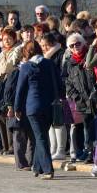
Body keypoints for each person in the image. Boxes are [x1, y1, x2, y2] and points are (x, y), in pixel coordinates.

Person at [14, 41, 58, 179]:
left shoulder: (26, 67)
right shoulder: (49, 63)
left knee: (40, 137)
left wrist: (17, 108)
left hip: (33, 107)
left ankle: (47, 169)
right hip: (49, 106)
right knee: (42, 136)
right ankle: (37, 166)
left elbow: (20, 90)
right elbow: (57, 82)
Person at [0, 27, 23, 155]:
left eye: (9, 39)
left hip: (11, 84)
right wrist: (1, 69)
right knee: (0, 114)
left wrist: (1, 69)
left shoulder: (17, 50)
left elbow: (9, 66)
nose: (7, 41)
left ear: (14, 39)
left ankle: (11, 146)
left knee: (8, 114)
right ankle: (5, 146)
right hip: (1, 83)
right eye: (4, 39)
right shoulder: (2, 52)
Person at [64, 33, 96, 163]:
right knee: (86, 127)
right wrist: (76, 97)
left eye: (78, 43)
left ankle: (95, 151)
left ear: (83, 43)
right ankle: (87, 151)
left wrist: (95, 93)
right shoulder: (69, 63)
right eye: (72, 45)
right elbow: (68, 83)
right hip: (81, 100)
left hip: (94, 97)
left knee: (96, 126)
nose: (75, 47)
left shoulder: (91, 57)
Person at [39, 32, 67, 160]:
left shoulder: (60, 55)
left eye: (46, 45)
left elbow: (61, 73)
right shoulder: (44, 56)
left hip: (57, 91)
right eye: (42, 45)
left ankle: (61, 150)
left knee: (58, 121)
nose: (44, 48)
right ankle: (53, 148)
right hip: (48, 92)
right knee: (51, 122)